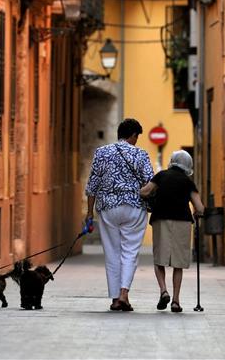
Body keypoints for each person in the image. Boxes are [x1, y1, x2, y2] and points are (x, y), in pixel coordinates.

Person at [84, 118, 154, 311]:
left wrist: (89, 212)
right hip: (134, 207)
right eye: (137, 137)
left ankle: (115, 299)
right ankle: (124, 293)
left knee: (112, 253)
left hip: (108, 208)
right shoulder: (141, 154)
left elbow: (92, 186)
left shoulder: (101, 152)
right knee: (130, 252)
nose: (137, 141)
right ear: (133, 135)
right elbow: (150, 183)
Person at [139, 150, 204, 313]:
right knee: (178, 263)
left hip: (161, 219)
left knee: (159, 259)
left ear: (172, 162)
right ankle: (176, 300)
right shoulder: (188, 182)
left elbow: (144, 192)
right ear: (188, 166)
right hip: (182, 221)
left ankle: (163, 291)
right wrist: (198, 213)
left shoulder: (161, 176)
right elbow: (200, 207)